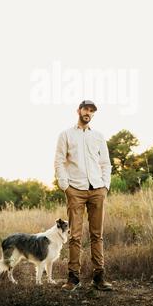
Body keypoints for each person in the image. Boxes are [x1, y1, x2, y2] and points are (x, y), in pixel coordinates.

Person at [54, 100, 112, 292]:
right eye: (86, 109)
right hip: (75, 190)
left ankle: (99, 277)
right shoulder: (66, 135)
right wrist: (65, 186)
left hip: (97, 190)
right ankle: (73, 278)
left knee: (97, 235)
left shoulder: (98, 136)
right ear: (78, 111)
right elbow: (59, 161)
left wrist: (105, 186)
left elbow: (105, 163)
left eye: (92, 111)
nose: (88, 112)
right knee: (75, 236)